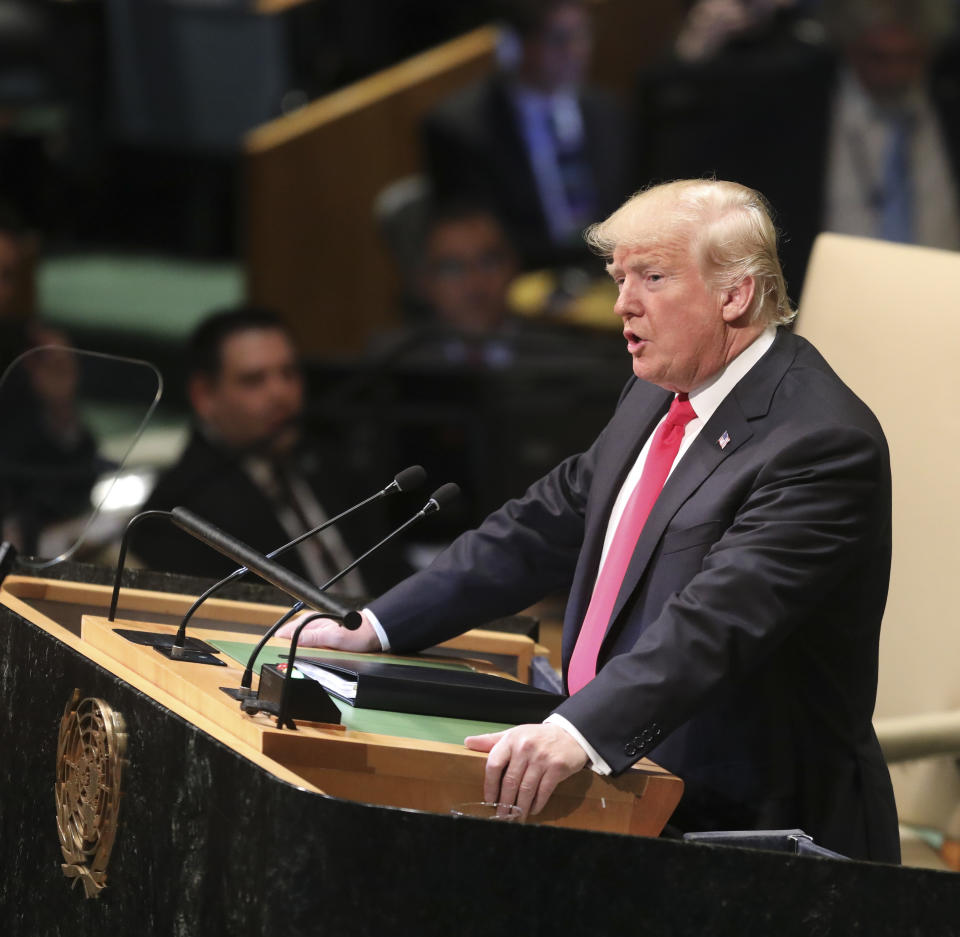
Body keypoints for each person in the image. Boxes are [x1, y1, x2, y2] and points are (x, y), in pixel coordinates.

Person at [280, 179, 899, 862]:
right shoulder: (655, 391)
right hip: (628, 799)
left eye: (652, 277)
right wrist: (375, 626)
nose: (622, 305)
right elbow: (545, 521)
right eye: (619, 277)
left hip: (756, 838)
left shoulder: (819, 443)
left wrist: (578, 731)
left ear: (736, 293)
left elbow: (715, 621)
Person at [134, 307, 409, 593]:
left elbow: (393, 572)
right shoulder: (177, 512)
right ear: (204, 395)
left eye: (289, 374)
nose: (281, 394)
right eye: (254, 380)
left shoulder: (331, 466)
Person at [422, 0, 632, 270]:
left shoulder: (607, 113)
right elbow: (476, 240)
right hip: (521, 279)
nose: (577, 50)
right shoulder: (462, 130)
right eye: (559, 39)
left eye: (582, 34)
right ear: (513, 46)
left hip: (611, 271)